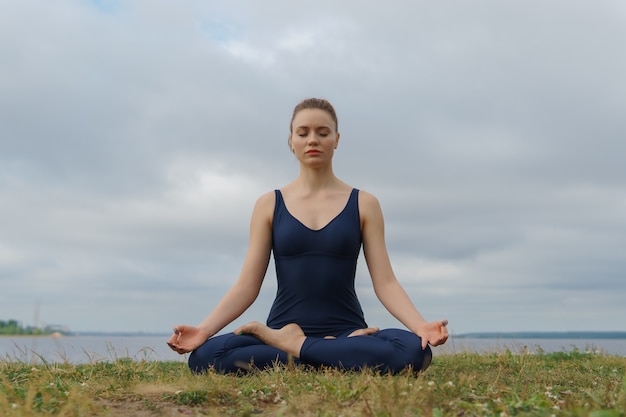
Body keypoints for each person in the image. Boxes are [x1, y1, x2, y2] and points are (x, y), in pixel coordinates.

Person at [167, 97, 449, 374]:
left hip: (349, 332)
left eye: (322, 133)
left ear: (337, 139)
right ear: (291, 140)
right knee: (204, 356)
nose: (312, 139)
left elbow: (385, 282)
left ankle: (301, 348)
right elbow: (246, 286)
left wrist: (419, 325)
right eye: (303, 133)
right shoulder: (269, 204)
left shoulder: (364, 203)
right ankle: (329, 355)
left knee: (414, 351)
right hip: (278, 334)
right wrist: (204, 330)